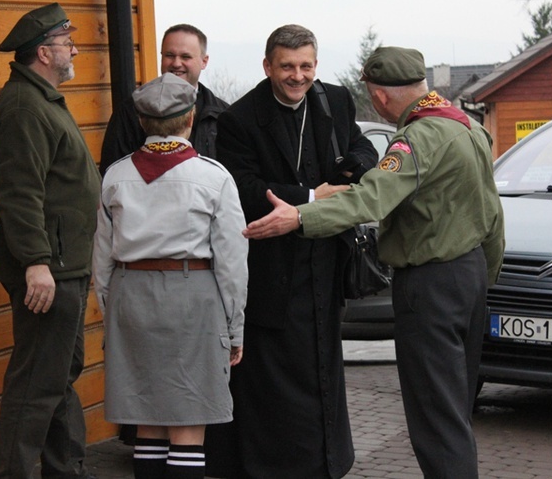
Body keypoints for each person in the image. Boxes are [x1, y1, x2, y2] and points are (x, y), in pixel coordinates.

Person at [241, 46, 506, 479]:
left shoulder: (417, 139)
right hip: (470, 276)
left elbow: (370, 198)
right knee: (455, 409)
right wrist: (483, 277)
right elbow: (492, 212)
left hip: (430, 286)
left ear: (379, 97)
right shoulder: (469, 128)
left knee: (436, 419)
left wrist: (299, 216)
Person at [211, 24, 378, 478]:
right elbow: (242, 187)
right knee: (276, 382)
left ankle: (326, 464)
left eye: (306, 66)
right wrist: (309, 196)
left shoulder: (335, 100)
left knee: (324, 368)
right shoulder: (240, 119)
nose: (298, 76)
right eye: (287, 66)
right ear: (268, 66)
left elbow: (363, 147)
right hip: (273, 270)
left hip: (325, 264)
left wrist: (353, 166)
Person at [92, 72, 249, 479]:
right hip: (192, 297)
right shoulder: (214, 177)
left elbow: (102, 255)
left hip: (131, 296)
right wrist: (235, 326)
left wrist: (112, 309)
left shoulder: (115, 176)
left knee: (147, 418)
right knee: (188, 419)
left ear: (142, 123)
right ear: (191, 119)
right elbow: (232, 261)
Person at [0, 3, 101, 478]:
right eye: (66, 42)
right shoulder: (22, 107)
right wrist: (35, 262)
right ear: (43, 52)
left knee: (58, 379)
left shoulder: (43, 99)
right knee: (34, 388)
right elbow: (19, 192)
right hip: (47, 272)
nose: (74, 49)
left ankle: (65, 470)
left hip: (65, 266)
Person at [99, 23, 228, 174]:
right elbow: (113, 170)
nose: (176, 63)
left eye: (185, 57)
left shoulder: (222, 114)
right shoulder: (132, 110)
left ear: (204, 61)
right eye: (169, 55)